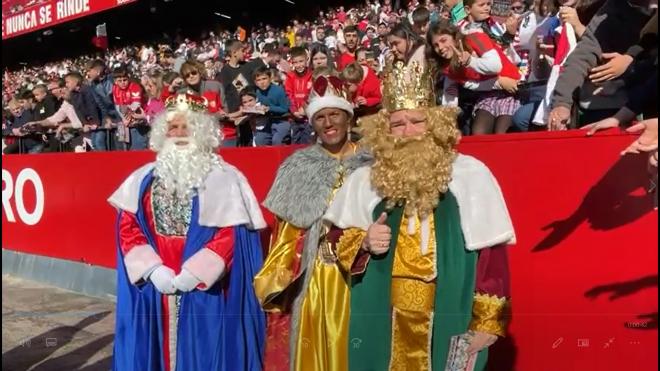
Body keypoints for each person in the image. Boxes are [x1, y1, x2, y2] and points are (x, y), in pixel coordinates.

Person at [323, 61, 516, 370]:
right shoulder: (364, 179)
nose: (408, 131)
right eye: (398, 124)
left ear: (436, 123)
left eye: (417, 121)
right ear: (384, 129)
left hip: (448, 309)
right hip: (382, 313)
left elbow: (492, 257)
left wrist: (488, 322)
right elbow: (331, 243)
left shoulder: (470, 174)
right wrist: (363, 241)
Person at [107, 93, 266, 371]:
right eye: (173, 127)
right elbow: (127, 225)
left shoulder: (225, 177)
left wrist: (198, 271)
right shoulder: (143, 177)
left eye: (187, 126)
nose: (180, 133)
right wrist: (152, 269)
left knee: (206, 354)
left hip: (206, 287)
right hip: (156, 286)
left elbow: (233, 234)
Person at [253, 74, 372, 371]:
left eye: (334, 114)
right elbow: (284, 235)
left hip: (366, 274)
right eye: (320, 117)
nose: (328, 123)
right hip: (319, 277)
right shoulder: (298, 167)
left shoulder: (374, 163)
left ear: (348, 117)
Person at [253, 66, 291, 146]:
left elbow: (285, 109)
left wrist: (270, 108)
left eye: (264, 79)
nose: (262, 82)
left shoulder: (278, 90)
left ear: (270, 79)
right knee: (259, 140)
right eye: (258, 80)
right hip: (267, 121)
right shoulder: (258, 92)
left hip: (281, 121)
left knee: (277, 140)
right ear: (255, 82)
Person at [284, 46, 314, 144]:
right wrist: (294, 111)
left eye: (301, 61)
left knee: (307, 143)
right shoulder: (290, 76)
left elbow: (311, 95)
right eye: (295, 62)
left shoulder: (311, 75)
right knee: (294, 143)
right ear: (292, 63)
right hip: (294, 118)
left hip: (308, 117)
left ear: (307, 60)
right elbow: (289, 95)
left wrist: (305, 109)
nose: (299, 65)